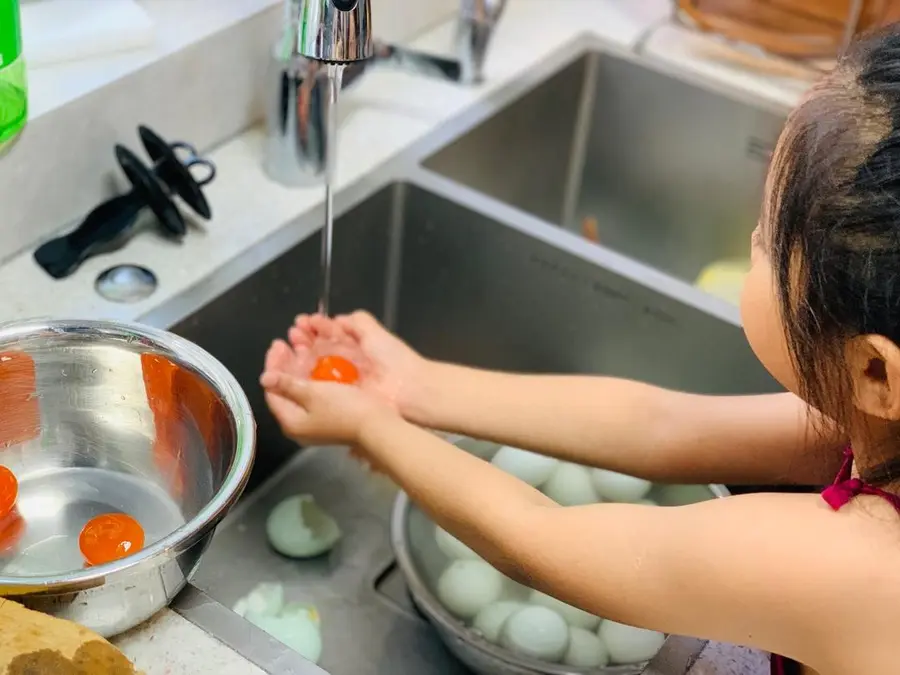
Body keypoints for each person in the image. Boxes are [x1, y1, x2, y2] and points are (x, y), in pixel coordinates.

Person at [258, 26, 900, 675]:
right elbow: (664, 425)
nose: (752, 239)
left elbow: (543, 541)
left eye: (763, 240)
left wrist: (372, 427)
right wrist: (414, 386)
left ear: (875, 370)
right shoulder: (882, 430)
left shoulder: (858, 566)